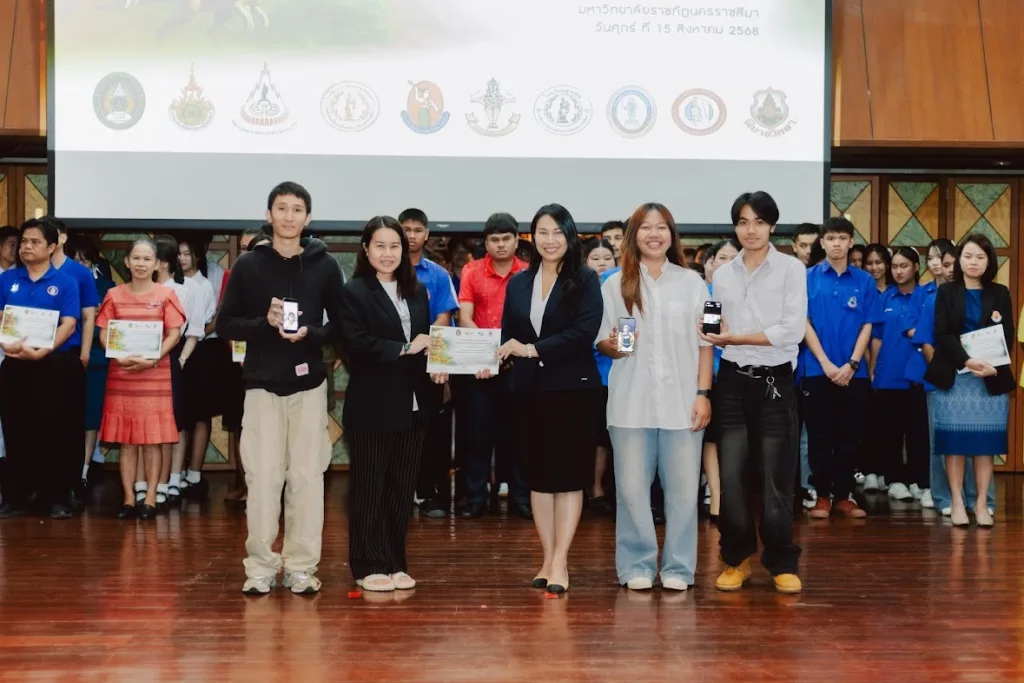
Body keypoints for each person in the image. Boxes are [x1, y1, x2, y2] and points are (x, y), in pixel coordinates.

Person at [217, 181, 344, 595]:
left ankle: (301, 567)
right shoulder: (248, 265)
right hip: (261, 386)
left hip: (309, 386)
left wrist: (310, 333)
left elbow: (340, 325)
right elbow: (226, 324)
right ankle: (260, 567)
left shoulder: (325, 265)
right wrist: (264, 323)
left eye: (297, 209)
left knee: (308, 478)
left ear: (308, 217)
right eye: (282, 208)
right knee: (263, 479)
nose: (289, 216)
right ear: (269, 214)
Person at [598, 202, 713, 592]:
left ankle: (679, 568)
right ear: (634, 236)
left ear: (671, 234)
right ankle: (636, 564)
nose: (653, 234)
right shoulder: (614, 284)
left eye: (661, 227)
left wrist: (703, 393)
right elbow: (603, 341)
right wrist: (615, 345)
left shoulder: (693, 283)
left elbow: (707, 344)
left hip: (683, 404)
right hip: (630, 404)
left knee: (683, 492)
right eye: (645, 228)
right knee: (631, 492)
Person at [702, 191, 806, 594]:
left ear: (772, 226)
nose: (751, 230)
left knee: (777, 477)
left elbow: (791, 331)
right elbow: (715, 324)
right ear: (735, 227)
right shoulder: (723, 274)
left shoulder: (791, 269)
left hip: (775, 381)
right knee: (732, 476)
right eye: (743, 222)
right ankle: (736, 559)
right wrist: (711, 331)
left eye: (759, 222)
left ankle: (781, 561)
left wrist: (736, 337)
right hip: (731, 381)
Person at [499, 204, 602, 594]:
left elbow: (584, 332)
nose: (550, 240)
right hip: (528, 391)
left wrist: (530, 350)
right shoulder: (519, 283)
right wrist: (491, 357)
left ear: (570, 236)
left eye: (558, 232)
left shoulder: (585, 279)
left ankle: (561, 561)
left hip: (573, 389)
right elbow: (508, 334)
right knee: (539, 480)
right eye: (542, 232)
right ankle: (547, 556)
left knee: (568, 478)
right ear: (532, 237)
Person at [338, 216, 443, 592]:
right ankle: (367, 564)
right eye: (380, 246)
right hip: (373, 404)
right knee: (370, 487)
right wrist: (405, 348)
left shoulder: (416, 290)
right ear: (366, 249)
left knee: (401, 488)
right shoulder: (353, 292)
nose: (388, 253)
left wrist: (438, 363)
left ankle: (395, 561)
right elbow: (355, 343)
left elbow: (427, 341)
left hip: (415, 403)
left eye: (394, 246)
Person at [925, 235, 1014, 528]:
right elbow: (942, 333)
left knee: (984, 445)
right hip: (955, 377)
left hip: (988, 378)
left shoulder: (1000, 292)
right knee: (955, 444)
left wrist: (989, 365)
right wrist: (966, 360)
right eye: (968, 256)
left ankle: (981, 504)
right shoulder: (947, 292)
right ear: (959, 259)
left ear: (989, 262)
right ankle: (957, 501)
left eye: (980, 257)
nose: (973, 262)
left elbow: (1007, 334)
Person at [97, 239, 185, 520]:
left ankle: (149, 499)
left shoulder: (166, 295)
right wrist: (115, 353)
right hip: (122, 375)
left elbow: (175, 333)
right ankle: (127, 499)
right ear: (127, 261)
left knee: (153, 440)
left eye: (147, 259)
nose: (141, 264)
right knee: (127, 441)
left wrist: (154, 356)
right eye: (136, 258)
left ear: (157, 264)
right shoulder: (113, 294)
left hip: (154, 375)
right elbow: (103, 332)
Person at [0, 220, 81, 519]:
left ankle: (57, 497)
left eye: (34, 242)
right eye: (23, 242)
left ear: (51, 247)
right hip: (15, 363)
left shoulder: (66, 282)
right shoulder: (8, 280)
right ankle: (17, 497)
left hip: (52, 365)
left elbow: (69, 324)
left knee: (54, 432)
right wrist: (6, 344)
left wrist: (43, 350)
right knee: (16, 430)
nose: (26, 247)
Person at [906, 243, 994, 516]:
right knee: (943, 443)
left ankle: (980, 500)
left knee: (978, 441)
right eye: (946, 264)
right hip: (945, 380)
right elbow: (925, 341)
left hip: (977, 379)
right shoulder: (937, 297)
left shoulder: (986, 296)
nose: (951, 268)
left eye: (954, 263)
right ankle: (944, 498)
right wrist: (946, 370)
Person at [800, 217, 879, 519]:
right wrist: (825, 363)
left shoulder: (864, 281)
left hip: (854, 373)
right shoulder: (807, 278)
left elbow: (868, 323)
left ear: (850, 242)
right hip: (816, 369)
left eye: (842, 238)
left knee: (850, 436)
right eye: (830, 238)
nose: (836, 244)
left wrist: (852, 364)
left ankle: (844, 495)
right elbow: (803, 322)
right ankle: (822, 495)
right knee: (819, 436)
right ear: (822, 242)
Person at [457, 213, 531, 518]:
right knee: (477, 434)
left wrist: (509, 350)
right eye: (494, 239)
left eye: (506, 239)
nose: (500, 245)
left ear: (516, 241)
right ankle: (476, 497)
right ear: (485, 243)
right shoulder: (472, 271)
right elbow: (464, 317)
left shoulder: (528, 273)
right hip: (480, 366)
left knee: (518, 435)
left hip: (518, 366)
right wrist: (490, 351)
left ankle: (520, 497)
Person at [399, 208, 460, 518]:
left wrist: (437, 360)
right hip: (393, 361)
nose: (411, 235)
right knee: (395, 427)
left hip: (426, 363)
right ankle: (397, 492)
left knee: (428, 430)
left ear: (427, 235)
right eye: (406, 229)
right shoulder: (384, 267)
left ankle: (426, 492)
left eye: (417, 230)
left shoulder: (437, 275)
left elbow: (444, 317)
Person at [870, 247, 928, 504]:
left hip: (918, 375)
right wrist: (872, 369)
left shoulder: (926, 296)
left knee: (917, 433)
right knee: (890, 432)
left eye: (904, 266)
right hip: (888, 374)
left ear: (916, 267)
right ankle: (894, 480)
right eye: (894, 266)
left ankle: (918, 480)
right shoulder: (885, 298)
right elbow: (876, 338)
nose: (898, 271)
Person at [70, 236, 116, 493]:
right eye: (75, 259)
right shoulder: (62, 282)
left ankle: (84, 470)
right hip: (67, 357)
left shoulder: (106, 287)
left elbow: (112, 326)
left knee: (90, 417)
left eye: (85, 260)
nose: (80, 265)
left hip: (97, 360)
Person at [700, 238, 740, 520]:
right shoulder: (707, 295)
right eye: (722, 258)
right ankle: (715, 496)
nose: (727, 263)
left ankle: (734, 495)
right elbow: (712, 338)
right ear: (710, 263)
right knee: (712, 439)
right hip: (713, 374)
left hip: (747, 373)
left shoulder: (749, 293)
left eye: (733, 258)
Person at [583, 238, 617, 513]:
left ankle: (613, 490)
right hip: (590, 376)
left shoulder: (621, 289)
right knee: (595, 438)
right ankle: (594, 490)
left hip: (619, 373)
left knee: (612, 437)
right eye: (595, 258)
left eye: (608, 258)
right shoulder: (581, 291)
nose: (602, 263)